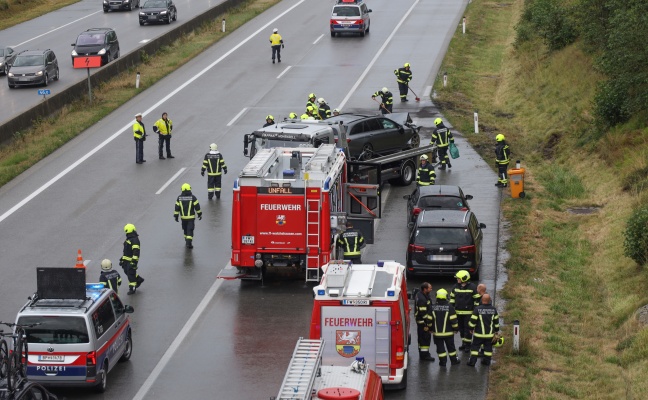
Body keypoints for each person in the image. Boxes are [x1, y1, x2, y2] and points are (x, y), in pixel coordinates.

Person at [449, 270, 480, 352]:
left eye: (458, 278)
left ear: (463, 278)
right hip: (458, 313)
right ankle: (464, 343)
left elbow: (477, 300)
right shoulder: (455, 287)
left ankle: (468, 345)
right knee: (461, 329)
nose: (457, 280)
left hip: (468, 313)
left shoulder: (472, 287)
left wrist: (475, 311)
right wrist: (451, 309)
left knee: (468, 329)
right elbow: (452, 299)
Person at [468, 293, 500, 366]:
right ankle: (486, 362)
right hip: (489, 335)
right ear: (489, 301)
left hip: (478, 334)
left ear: (482, 300)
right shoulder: (493, 309)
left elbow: (473, 321)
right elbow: (496, 322)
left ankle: (472, 362)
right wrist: (496, 330)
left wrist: (471, 328)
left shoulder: (477, 309)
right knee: (488, 348)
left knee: (475, 348)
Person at [430, 288, 460, 366]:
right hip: (449, 333)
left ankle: (443, 362)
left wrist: (430, 329)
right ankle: (454, 361)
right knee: (451, 348)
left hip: (437, 334)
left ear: (436, 296)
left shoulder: (432, 307)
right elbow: (454, 321)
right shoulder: (450, 307)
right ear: (446, 296)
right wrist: (456, 329)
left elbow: (429, 320)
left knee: (440, 349)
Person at [174, 183, 202, 249]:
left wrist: (176, 216)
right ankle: (189, 243)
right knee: (190, 229)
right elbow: (197, 207)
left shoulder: (179, 198)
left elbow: (176, 208)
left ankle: (186, 240)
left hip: (183, 218)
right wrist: (199, 214)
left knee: (185, 230)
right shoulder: (193, 197)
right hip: (191, 218)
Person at [120, 224, 144, 295]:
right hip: (127, 260)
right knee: (126, 271)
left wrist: (134, 262)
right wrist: (122, 259)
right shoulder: (129, 238)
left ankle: (132, 288)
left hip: (132, 261)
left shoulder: (134, 240)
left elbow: (136, 252)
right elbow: (126, 251)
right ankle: (138, 279)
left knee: (130, 273)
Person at [414, 282, 435, 361]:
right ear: (425, 289)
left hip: (421, 322)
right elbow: (424, 314)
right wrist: (429, 323)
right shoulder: (422, 299)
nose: (431, 289)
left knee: (421, 339)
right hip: (423, 323)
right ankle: (425, 356)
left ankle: (422, 354)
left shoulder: (421, 295)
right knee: (425, 339)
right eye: (430, 288)